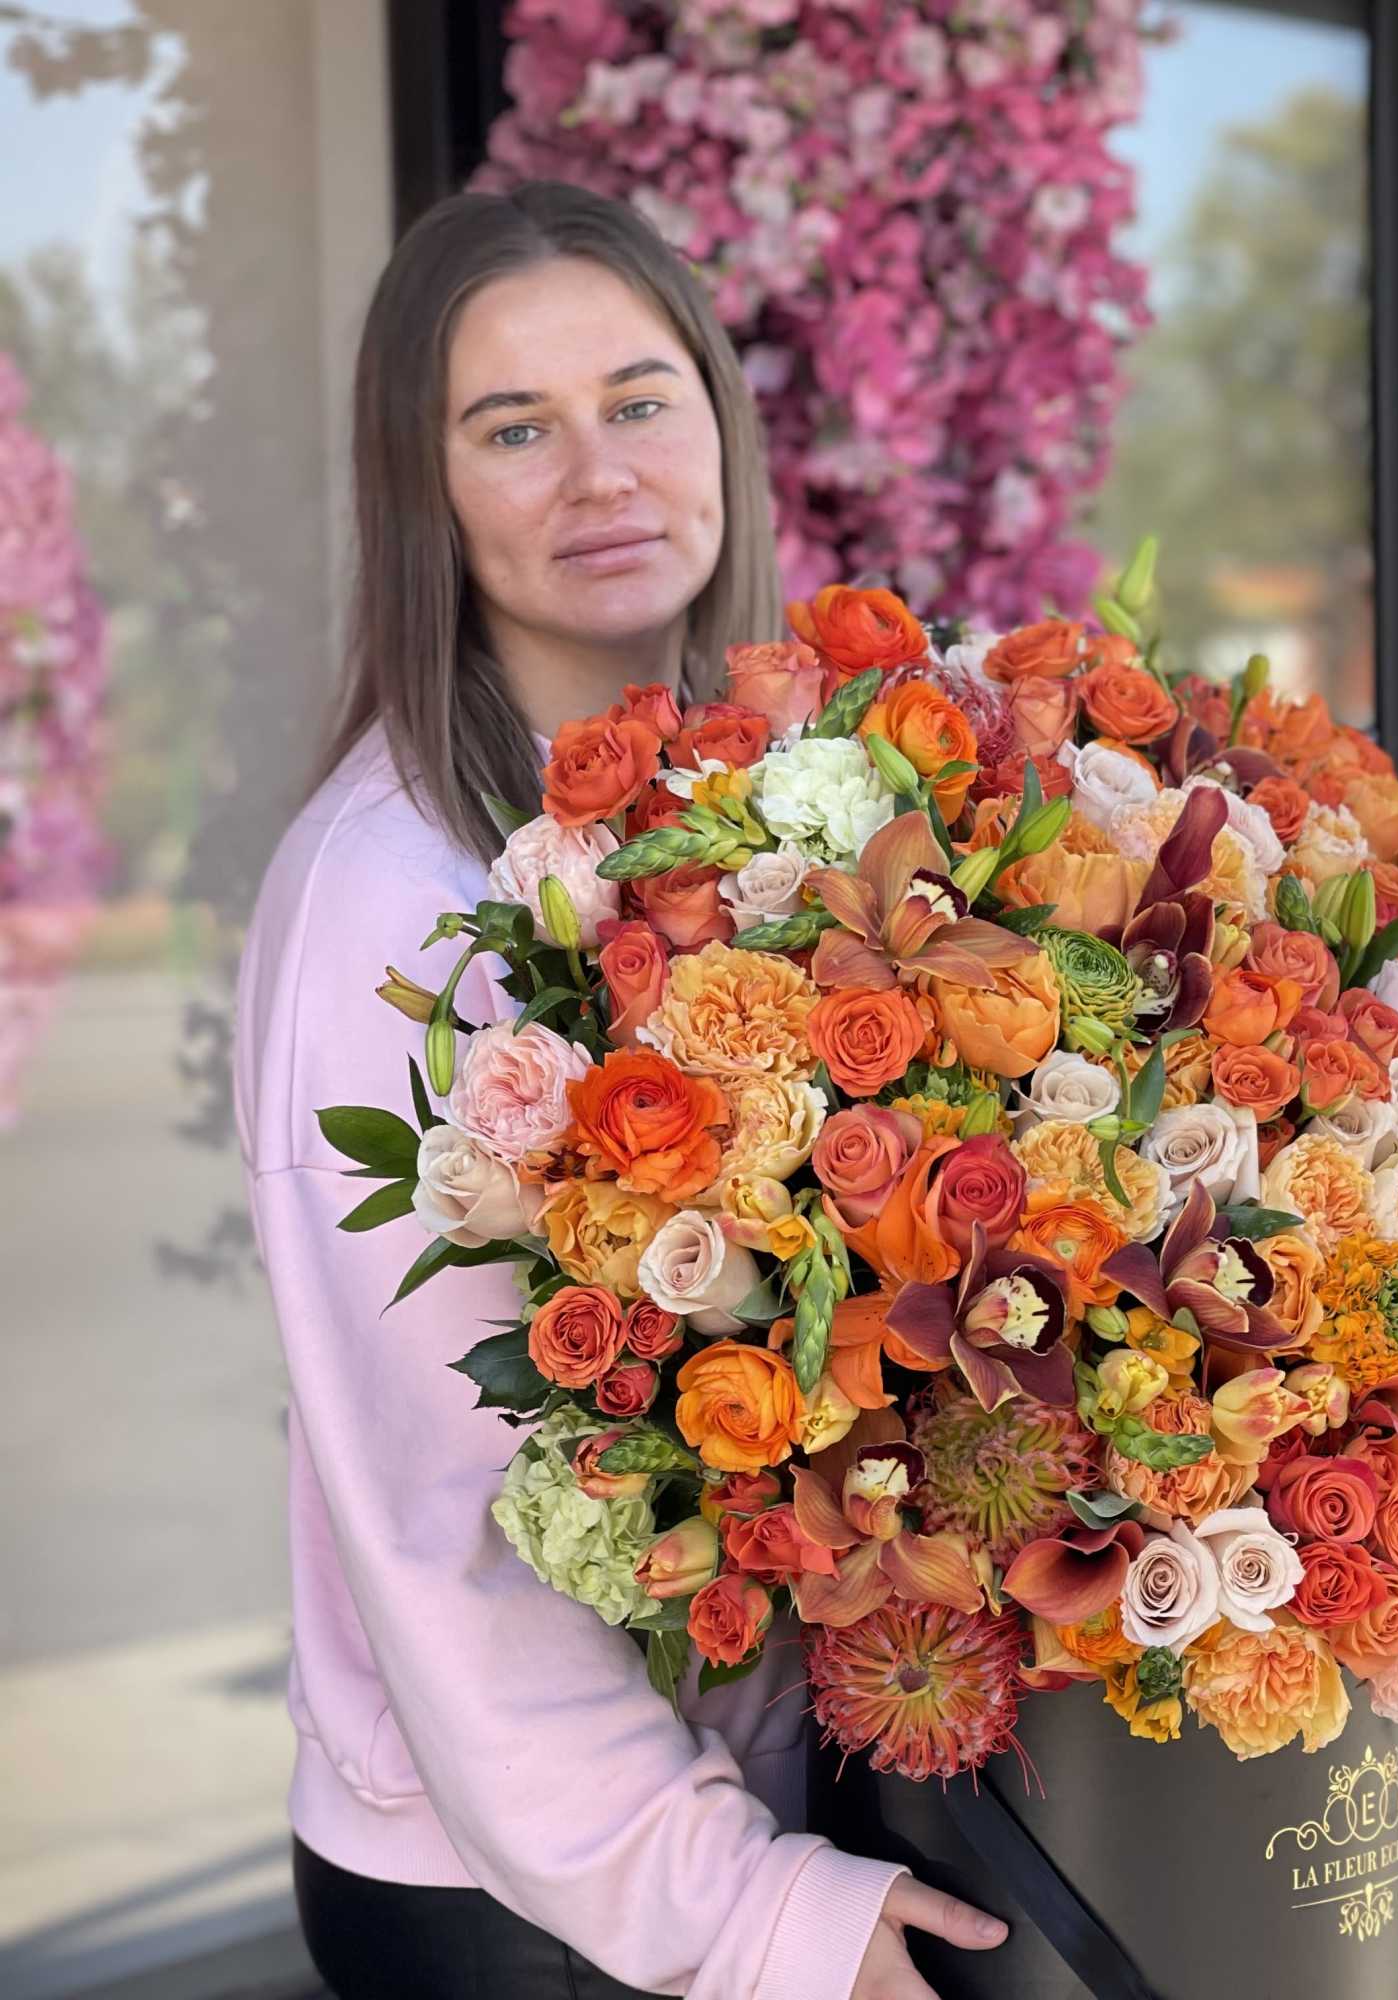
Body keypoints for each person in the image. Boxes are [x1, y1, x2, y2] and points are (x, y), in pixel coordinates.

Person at [233, 182, 1006, 1999]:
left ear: (720, 430)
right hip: (535, 1904)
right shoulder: (387, 900)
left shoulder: (766, 812)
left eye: (639, 401)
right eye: (515, 429)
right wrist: (745, 1916)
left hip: (742, 1807)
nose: (600, 473)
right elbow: (450, 1531)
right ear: (426, 493)